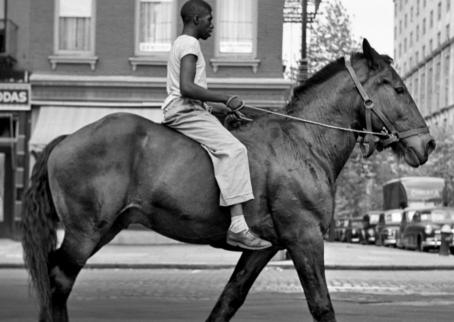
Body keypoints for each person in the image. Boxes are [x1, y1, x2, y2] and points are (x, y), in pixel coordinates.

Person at [161, 0, 272, 250]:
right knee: (235, 150)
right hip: (184, 110)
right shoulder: (189, 44)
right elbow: (187, 88)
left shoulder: (181, 43)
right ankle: (237, 227)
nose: (213, 25)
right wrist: (225, 98)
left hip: (187, 108)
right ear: (196, 19)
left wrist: (222, 110)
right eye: (210, 20)